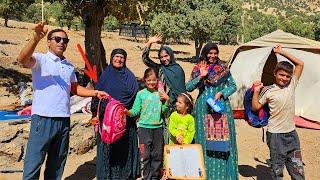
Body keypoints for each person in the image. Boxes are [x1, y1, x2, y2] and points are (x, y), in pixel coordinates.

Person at [17, 22, 107, 180]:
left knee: (57, 164)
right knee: (33, 163)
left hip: (64, 119)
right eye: (57, 39)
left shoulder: (68, 66)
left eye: (65, 40)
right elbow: (22, 60)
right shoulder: (41, 60)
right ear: (49, 41)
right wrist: (35, 39)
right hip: (43, 119)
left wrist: (95, 93)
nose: (61, 42)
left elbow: (74, 88)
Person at [186, 42, 238, 179]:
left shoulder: (222, 68)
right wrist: (201, 76)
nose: (213, 56)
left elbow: (233, 86)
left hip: (220, 108)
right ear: (205, 53)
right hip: (203, 108)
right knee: (204, 140)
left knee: (221, 141)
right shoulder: (198, 68)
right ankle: (204, 173)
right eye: (210, 53)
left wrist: (221, 93)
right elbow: (189, 87)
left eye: (215, 53)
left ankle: (222, 174)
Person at [252, 45, 305, 180]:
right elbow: (255, 107)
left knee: (297, 169)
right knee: (277, 170)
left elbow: (300, 64)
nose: (284, 78)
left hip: (292, 134)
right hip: (275, 135)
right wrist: (257, 91)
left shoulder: (291, 85)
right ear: (275, 73)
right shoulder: (268, 90)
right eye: (281, 74)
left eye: (288, 76)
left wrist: (281, 52)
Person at [90, 48, 141, 180]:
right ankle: (107, 175)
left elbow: (136, 96)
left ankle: (125, 174)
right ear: (112, 58)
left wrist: (132, 113)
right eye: (116, 57)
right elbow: (96, 95)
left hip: (125, 119)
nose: (119, 59)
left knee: (125, 148)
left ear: (125, 60)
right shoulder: (105, 76)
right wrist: (94, 114)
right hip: (107, 120)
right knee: (108, 148)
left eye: (122, 57)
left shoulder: (129, 76)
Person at [125, 67, 170, 180]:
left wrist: (167, 101)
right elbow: (135, 110)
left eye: (154, 80)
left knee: (157, 155)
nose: (151, 82)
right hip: (144, 129)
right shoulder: (140, 94)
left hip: (158, 129)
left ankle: (154, 177)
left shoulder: (160, 94)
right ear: (145, 80)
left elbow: (164, 111)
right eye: (149, 80)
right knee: (145, 155)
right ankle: (146, 177)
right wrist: (127, 112)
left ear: (157, 81)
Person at [142, 35, 186, 143]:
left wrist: (170, 100)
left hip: (176, 108)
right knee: (162, 135)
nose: (164, 59)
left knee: (176, 133)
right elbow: (145, 59)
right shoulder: (160, 69)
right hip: (160, 107)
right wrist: (149, 43)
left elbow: (181, 91)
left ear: (171, 55)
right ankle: (163, 157)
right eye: (161, 57)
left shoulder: (178, 69)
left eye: (166, 56)